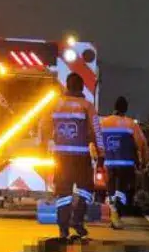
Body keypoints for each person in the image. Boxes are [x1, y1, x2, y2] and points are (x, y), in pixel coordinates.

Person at [39, 72, 103, 241]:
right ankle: (77, 220)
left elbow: (44, 126)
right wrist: (101, 154)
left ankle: (63, 228)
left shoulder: (56, 105)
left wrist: (44, 146)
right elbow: (96, 131)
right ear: (81, 87)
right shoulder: (87, 106)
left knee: (63, 192)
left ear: (67, 86)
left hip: (61, 157)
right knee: (86, 189)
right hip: (81, 157)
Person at [98, 96, 149, 229]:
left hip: (109, 163)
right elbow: (142, 144)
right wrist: (144, 161)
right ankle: (117, 214)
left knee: (111, 190)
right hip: (126, 164)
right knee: (122, 191)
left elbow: (97, 141)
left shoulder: (104, 123)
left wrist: (99, 158)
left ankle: (114, 215)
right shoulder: (130, 124)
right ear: (125, 109)